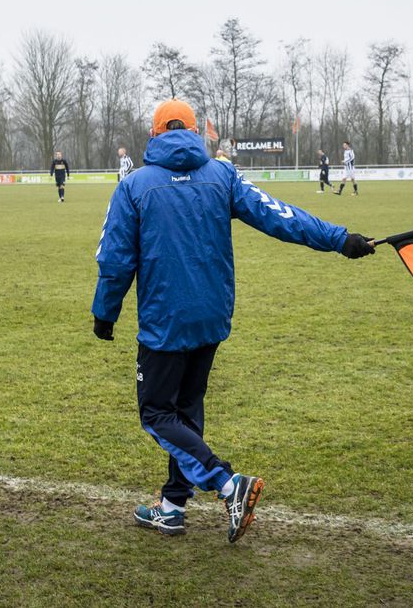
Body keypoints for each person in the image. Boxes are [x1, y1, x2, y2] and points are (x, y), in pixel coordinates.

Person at [92, 99, 376, 543]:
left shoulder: (135, 186)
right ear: (193, 133)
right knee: (185, 410)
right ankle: (171, 507)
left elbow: (114, 261)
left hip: (165, 320)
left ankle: (229, 484)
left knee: (156, 413)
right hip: (211, 316)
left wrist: (104, 314)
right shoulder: (222, 174)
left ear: (153, 135)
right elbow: (280, 216)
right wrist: (339, 239)